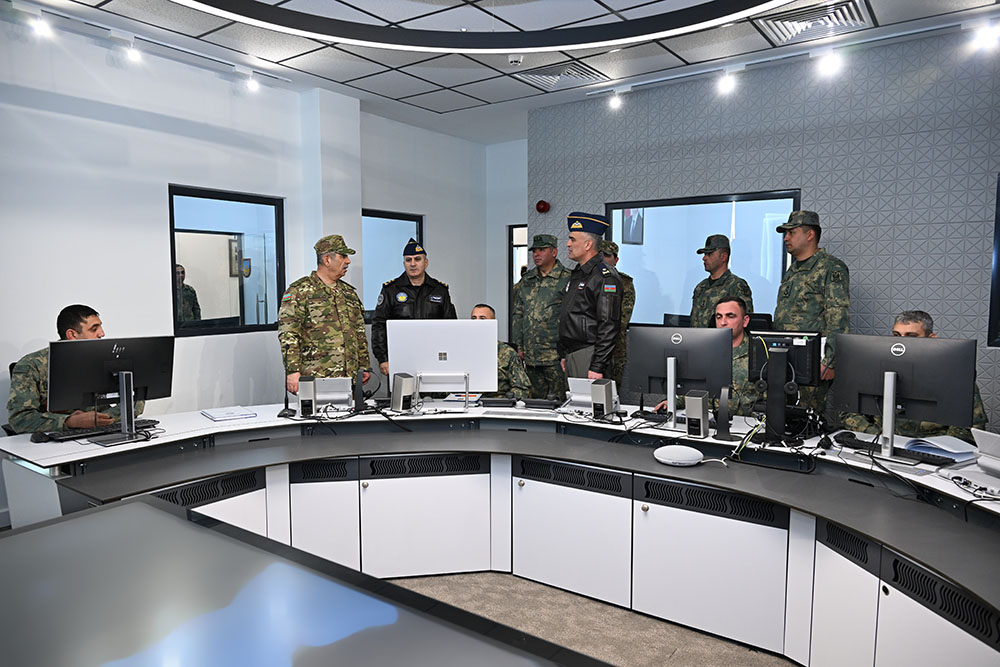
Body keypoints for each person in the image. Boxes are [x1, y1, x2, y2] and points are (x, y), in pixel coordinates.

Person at [841, 310, 988, 444]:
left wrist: (926, 447)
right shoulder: (875, 371)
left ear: (931, 338)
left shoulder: (954, 376)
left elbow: (970, 429)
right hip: (879, 445)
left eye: (911, 336)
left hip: (931, 452)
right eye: (896, 335)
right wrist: (880, 438)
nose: (902, 342)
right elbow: (849, 412)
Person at [7, 304, 145, 433]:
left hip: (102, 432)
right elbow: (19, 419)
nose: (102, 333)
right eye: (94, 329)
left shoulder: (105, 359)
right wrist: (71, 422)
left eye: (100, 327)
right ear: (72, 335)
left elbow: (135, 401)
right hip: (57, 439)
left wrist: (104, 419)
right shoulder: (32, 365)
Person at [773, 211, 850, 415]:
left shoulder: (830, 268)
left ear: (810, 235)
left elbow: (838, 316)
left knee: (807, 417)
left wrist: (830, 361)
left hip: (811, 359)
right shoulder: (792, 271)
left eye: (792, 232)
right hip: (785, 356)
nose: (786, 238)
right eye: (785, 233)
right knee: (782, 414)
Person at [278, 235, 370, 395]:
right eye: (343, 256)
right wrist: (292, 371)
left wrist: (364, 366)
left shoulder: (348, 293)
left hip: (350, 379)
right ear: (327, 259)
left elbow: (359, 332)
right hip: (316, 378)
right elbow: (289, 334)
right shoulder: (300, 291)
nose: (348, 261)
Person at [655, 296, 760, 417]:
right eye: (719, 317)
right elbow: (693, 389)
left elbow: (771, 399)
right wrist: (673, 402)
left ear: (745, 321)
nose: (723, 322)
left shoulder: (759, 352)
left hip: (745, 423)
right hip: (706, 420)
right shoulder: (704, 350)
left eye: (730, 316)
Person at [372, 238, 457, 377]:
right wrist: (383, 358)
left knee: (433, 391)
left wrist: (450, 356)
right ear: (404, 264)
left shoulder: (440, 290)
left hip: (433, 357)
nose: (412, 264)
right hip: (400, 357)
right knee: (403, 391)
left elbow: (451, 326)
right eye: (408, 260)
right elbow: (379, 325)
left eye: (417, 259)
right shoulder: (390, 290)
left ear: (426, 262)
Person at [557, 212, 623, 379]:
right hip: (573, 354)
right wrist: (565, 353)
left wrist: (598, 365)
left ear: (588, 244)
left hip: (589, 355)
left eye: (573, 240)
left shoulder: (605, 277)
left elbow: (609, 325)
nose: (568, 244)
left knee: (589, 397)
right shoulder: (580, 273)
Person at [511, 234, 572, 399]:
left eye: (542, 250)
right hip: (531, 357)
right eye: (534, 251)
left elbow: (571, 317)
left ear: (554, 252)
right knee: (534, 403)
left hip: (556, 357)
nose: (536, 254)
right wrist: (519, 347)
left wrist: (567, 352)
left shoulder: (568, 278)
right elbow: (518, 314)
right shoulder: (527, 280)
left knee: (562, 401)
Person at [689, 235, 753, 328]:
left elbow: (744, 325)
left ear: (723, 257)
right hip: (696, 337)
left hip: (724, 337)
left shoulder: (736, 285)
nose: (704, 258)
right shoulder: (701, 287)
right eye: (704, 254)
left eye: (709, 254)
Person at [471, 304, 531, 400]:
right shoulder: (460, 351)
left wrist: (507, 401)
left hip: (496, 402)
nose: (477, 322)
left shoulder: (508, 353)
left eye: (482, 318)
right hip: (465, 402)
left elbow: (522, 388)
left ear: (493, 323)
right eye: (474, 318)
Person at [600, 240, 636, 389]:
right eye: (599, 254)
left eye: (607, 255)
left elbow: (623, 318)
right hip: (587, 347)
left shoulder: (624, 283)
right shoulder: (586, 278)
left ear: (616, 260)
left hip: (614, 346)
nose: (602, 259)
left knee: (611, 391)